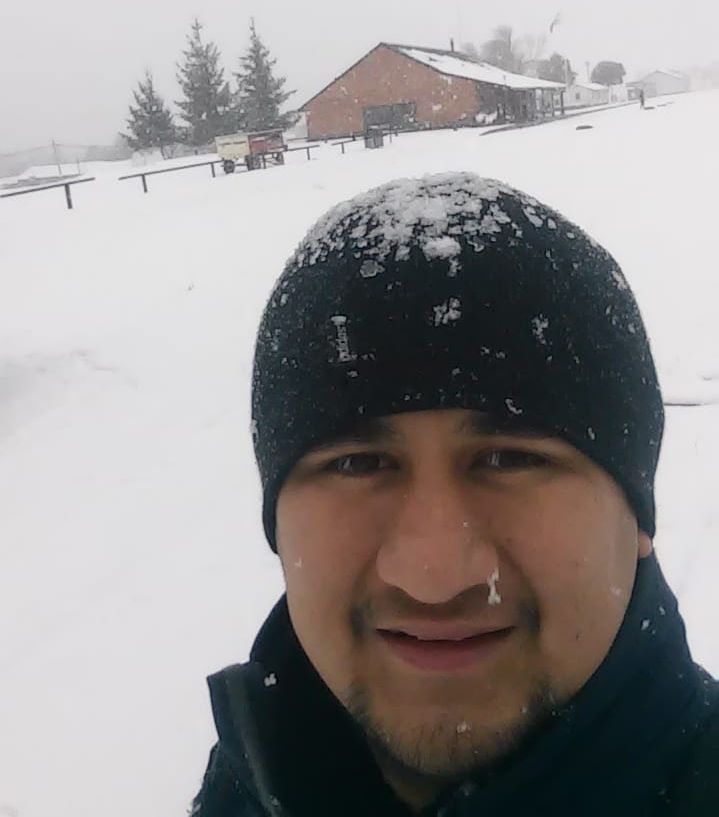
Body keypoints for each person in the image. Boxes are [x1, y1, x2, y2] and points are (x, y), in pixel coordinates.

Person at [192, 173, 719, 816]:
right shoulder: (246, 785)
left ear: (635, 516)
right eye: (357, 463)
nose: (434, 577)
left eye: (509, 458)